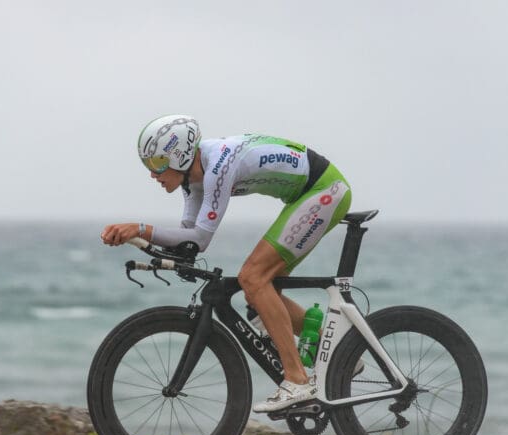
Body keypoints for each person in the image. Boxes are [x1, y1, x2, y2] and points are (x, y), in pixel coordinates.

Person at [101, 114, 352, 413]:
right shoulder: (193, 181)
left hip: (324, 191)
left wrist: (140, 228)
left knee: (253, 279)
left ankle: (297, 380)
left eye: (156, 164)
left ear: (179, 155)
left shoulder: (218, 165)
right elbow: (188, 241)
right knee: (259, 291)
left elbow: (201, 237)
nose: (152, 174)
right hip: (308, 194)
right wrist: (144, 246)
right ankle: (344, 355)